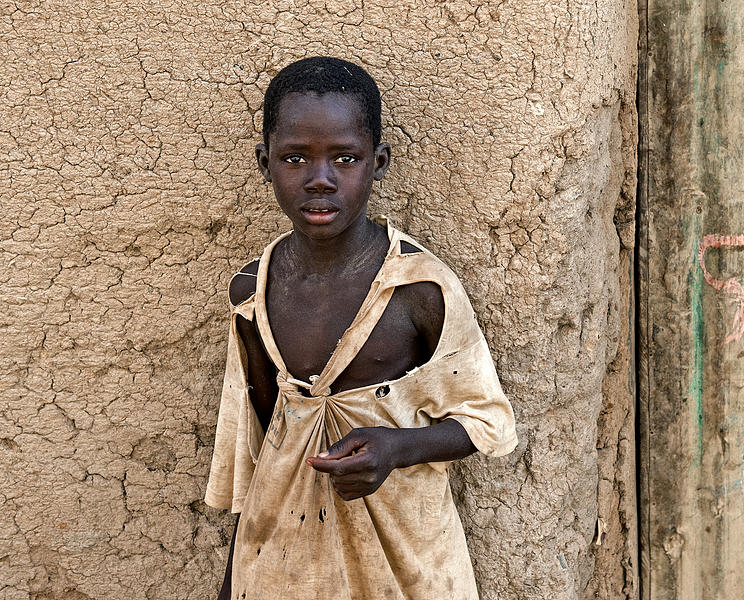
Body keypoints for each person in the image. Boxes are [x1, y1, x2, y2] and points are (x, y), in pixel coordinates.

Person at [204, 56, 518, 600]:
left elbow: (489, 422)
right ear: (265, 163)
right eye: (295, 158)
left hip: (403, 563)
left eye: (345, 158)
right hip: (283, 563)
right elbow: (260, 447)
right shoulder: (251, 293)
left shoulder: (418, 289)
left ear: (379, 162)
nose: (320, 179)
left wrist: (396, 447)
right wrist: (236, 582)